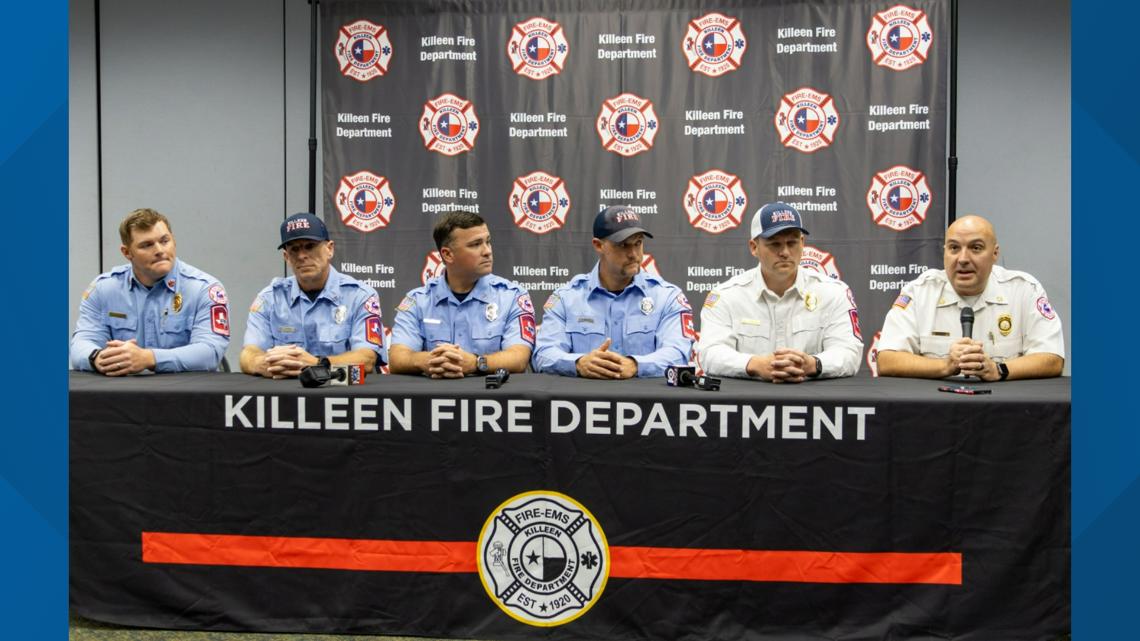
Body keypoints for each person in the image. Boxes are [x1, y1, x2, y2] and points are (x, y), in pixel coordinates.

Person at [876, 214, 1064, 380]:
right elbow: (886, 360)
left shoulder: (1024, 290)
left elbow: (1052, 359)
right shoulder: (919, 292)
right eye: (954, 248)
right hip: (936, 410)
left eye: (975, 248)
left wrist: (998, 370)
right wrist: (946, 365)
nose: (963, 259)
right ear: (944, 253)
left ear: (994, 254)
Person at [697, 202, 862, 382]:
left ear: (802, 243)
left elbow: (849, 352)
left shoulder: (833, 292)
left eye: (792, 243)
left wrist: (812, 364)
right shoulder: (726, 296)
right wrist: (755, 365)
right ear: (754, 247)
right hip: (747, 404)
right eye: (774, 244)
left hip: (815, 404)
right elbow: (710, 353)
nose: (784, 252)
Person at [533, 206, 694, 378]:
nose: (634, 254)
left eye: (638, 243)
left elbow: (679, 353)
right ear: (598, 245)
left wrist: (636, 365)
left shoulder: (667, 297)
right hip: (585, 402)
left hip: (646, 403)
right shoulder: (566, 298)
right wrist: (578, 363)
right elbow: (543, 353)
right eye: (623, 245)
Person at [70, 208, 230, 375]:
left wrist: (149, 358)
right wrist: (98, 358)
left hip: (187, 393)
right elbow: (81, 344)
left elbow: (210, 352)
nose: (159, 250)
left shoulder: (204, 288)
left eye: (164, 241)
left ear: (174, 241)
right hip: (123, 392)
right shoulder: (103, 289)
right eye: (147, 245)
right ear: (127, 252)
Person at [388, 212, 535, 377]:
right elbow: (397, 358)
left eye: (488, 242)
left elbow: (519, 358)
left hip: (490, 398)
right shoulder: (417, 300)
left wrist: (475, 363)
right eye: (475, 244)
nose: (487, 251)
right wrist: (428, 361)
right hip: (434, 398)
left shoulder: (512, 296)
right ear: (448, 254)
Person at [240, 213, 384, 378]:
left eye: (310, 246)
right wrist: (262, 363)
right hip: (286, 394)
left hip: (340, 390)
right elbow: (248, 354)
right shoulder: (270, 298)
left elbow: (366, 360)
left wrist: (316, 364)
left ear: (329, 249)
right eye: (294, 249)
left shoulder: (359, 296)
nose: (302, 256)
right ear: (286, 257)